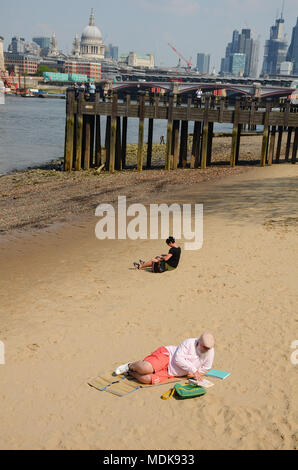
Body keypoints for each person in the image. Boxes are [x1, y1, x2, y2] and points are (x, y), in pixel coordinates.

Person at [114, 333, 215, 385]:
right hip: (168, 356)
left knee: (146, 379)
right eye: (204, 347)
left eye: (208, 348)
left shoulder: (210, 351)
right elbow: (178, 359)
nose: (206, 350)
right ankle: (129, 365)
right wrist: (194, 370)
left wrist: (194, 374)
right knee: (145, 368)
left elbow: (206, 368)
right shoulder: (189, 343)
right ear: (199, 343)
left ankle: (130, 373)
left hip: (171, 373)